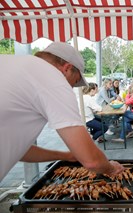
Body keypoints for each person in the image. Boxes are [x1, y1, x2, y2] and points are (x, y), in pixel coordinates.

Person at [0, 42, 124, 181]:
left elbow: (19, 150)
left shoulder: (11, 62)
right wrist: (111, 168)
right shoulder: (51, 77)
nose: (71, 87)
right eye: (75, 81)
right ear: (67, 68)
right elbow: (91, 161)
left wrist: (64, 156)